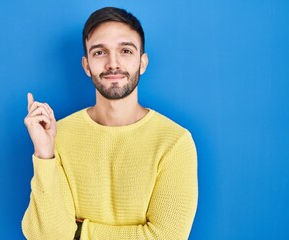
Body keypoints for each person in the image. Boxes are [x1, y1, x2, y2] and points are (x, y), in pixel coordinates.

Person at [22, 7, 198, 240]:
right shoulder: (57, 136)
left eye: (125, 50)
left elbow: (167, 236)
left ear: (142, 62)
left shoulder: (175, 142)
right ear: (86, 66)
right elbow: (45, 236)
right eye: (99, 52)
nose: (113, 64)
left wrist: (80, 233)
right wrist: (45, 155)